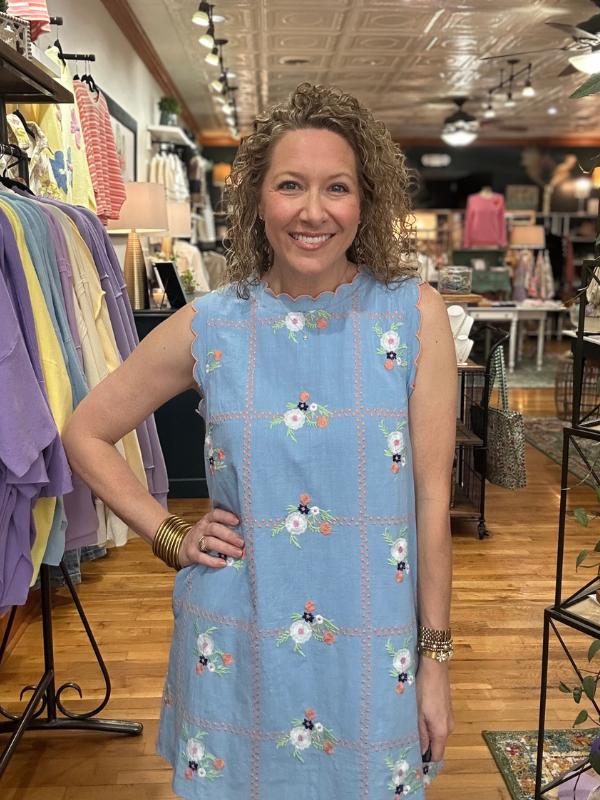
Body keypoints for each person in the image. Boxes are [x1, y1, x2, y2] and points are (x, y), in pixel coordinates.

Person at [63, 82, 456, 798]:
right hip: (236, 639)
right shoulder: (211, 324)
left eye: (336, 187)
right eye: (290, 186)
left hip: (371, 648)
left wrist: (435, 659)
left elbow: (432, 500)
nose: (313, 211)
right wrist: (167, 533)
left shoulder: (413, 317)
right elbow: (85, 431)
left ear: (365, 199)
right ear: (258, 201)